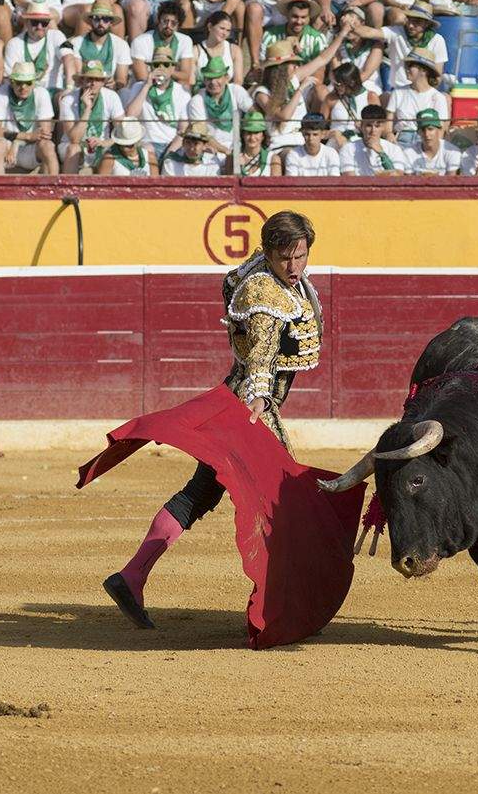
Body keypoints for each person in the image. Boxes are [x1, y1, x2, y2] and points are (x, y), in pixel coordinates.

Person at [105, 211, 321, 629]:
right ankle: (276, 607)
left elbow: (235, 282)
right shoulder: (264, 291)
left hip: (239, 405)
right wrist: (259, 398)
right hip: (251, 412)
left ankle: (132, 576)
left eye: (301, 256)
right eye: (285, 259)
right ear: (268, 253)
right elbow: (261, 352)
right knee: (280, 503)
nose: (294, 267)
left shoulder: (262, 272)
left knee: (201, 492)